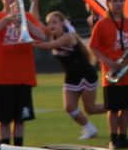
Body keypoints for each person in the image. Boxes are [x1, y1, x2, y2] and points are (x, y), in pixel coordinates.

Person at [0, 0, 47, 146]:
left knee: (20, 119)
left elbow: (42, 36)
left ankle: (18, 149)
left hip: (23, 76)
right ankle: (4, 149)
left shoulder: (28, 17)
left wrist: (25, 20)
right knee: (3, 120)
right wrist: (6, 20)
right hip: (2, 77)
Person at [89, 0, 128, 150]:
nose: (118, 4)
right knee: (112, 107)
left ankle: (123, 137)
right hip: (111, 72)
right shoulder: (102, 24)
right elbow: (94, 48)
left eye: (121, 0)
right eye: (115, 1)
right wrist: (108, 62)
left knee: (127, 107)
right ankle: (113, 139)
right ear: (108, 4)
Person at [43, 11, 103, 140]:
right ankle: (90, 129)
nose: (51, 25)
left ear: (62, 24)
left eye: (54, 22)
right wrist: (35, 3)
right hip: (72, 77)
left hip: (85, 75)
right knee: (69, 107)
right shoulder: (53, 35)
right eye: (48, 23)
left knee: (90, 109)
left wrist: (29, 42)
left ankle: (116, 106)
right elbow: (35, 23)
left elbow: (49, 46)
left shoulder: (68, 36)